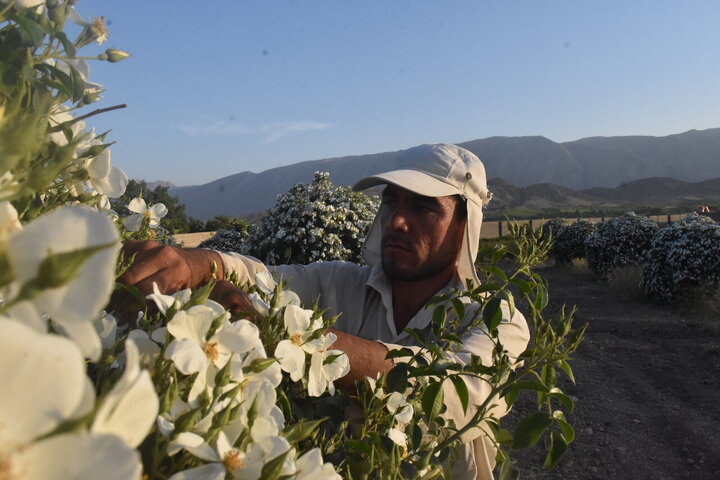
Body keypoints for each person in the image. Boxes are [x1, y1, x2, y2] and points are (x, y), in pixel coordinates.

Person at [119, 143, 529, 479]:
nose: (397, 221)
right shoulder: (343, 283)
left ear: (464, 225)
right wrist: (199, 265)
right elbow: (265, 278)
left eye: (423, 207)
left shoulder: (497, 320)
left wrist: (286, 338)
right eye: (391, 202)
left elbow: (442, 392)